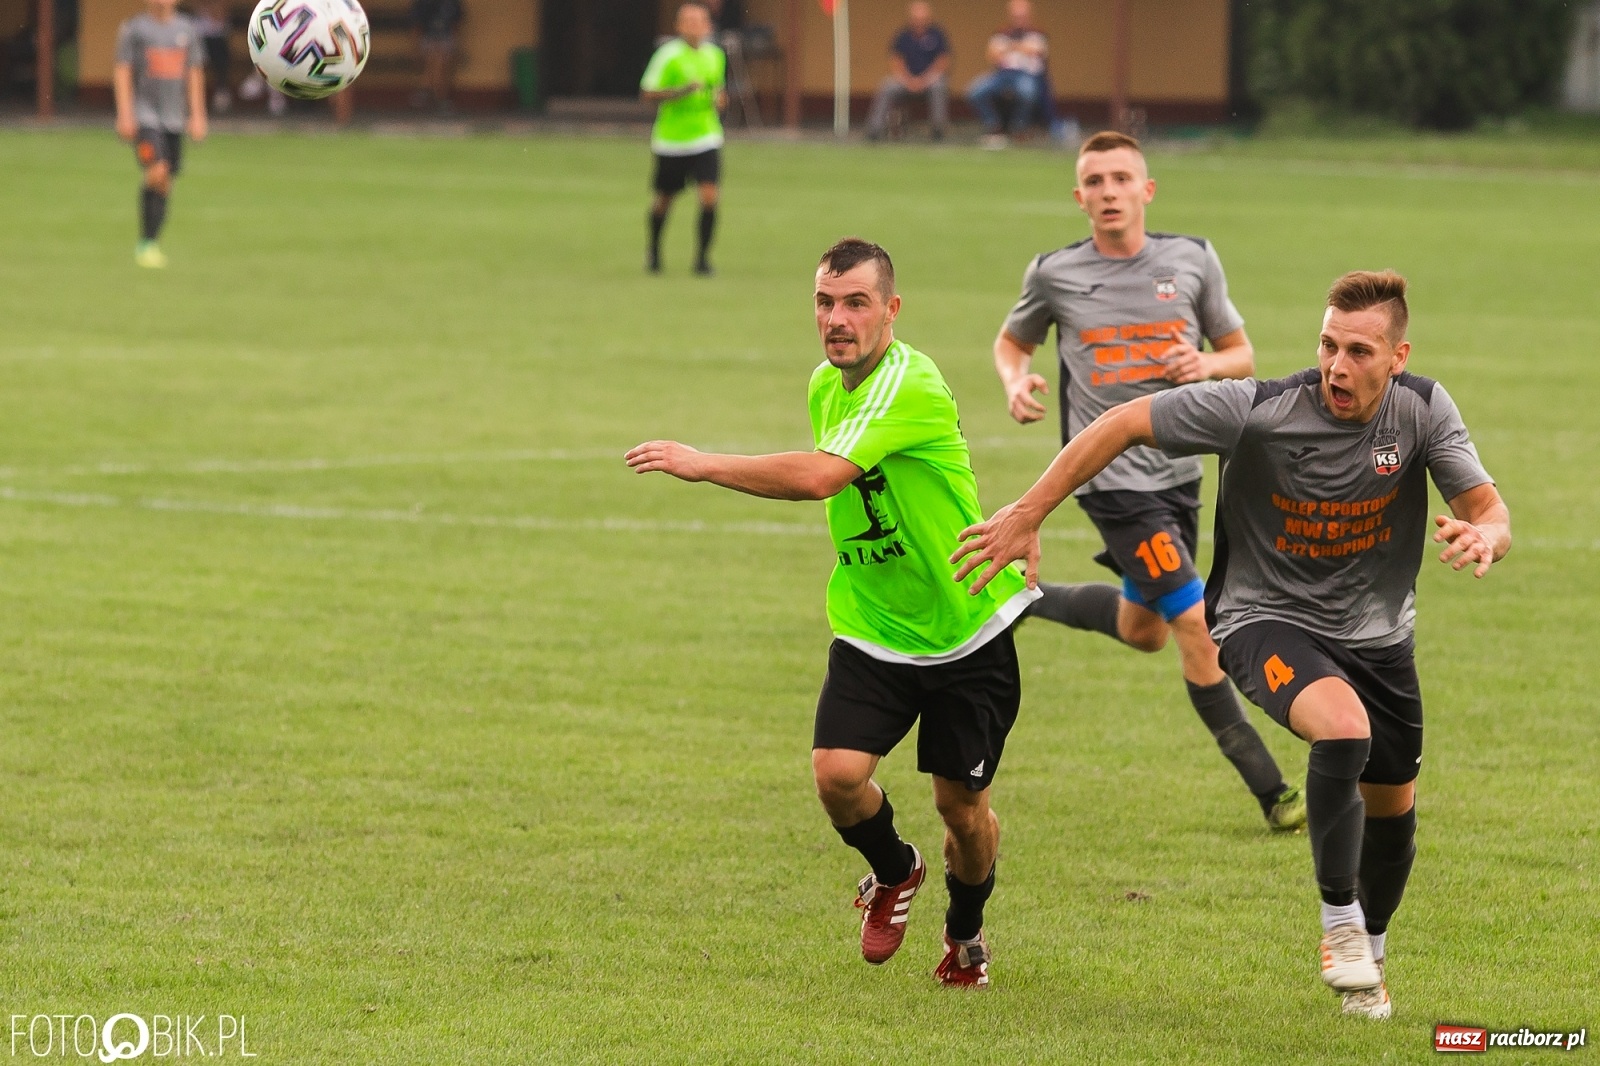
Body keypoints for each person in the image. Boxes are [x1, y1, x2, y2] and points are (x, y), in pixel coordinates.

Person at [954, 269, 1510, 1019]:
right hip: (1263, 620)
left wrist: (1486, 535)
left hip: (1380, 641)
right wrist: (1028, 512)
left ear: (1397, 356)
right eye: (1327, 345)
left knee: (1394, 815)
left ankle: (1370, 956)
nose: (1337, 366)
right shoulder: (1258, 411)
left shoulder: (1422, 412)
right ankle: (1338, 921)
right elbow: (1122, 422)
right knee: (1342, 730)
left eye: (1359, 351)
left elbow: (1487, 506)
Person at [627, 238, 1040, 988]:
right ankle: (896, 870)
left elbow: (823, 478)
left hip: (963, 628)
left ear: (891, 310)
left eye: (855, 303)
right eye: (825, 302)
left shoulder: (910, 381)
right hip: (873, 622)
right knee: (837, 776)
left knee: (964, 812)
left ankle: (966, 933)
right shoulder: (826, 383)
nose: (837, 319)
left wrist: (703, 461)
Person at [995, 130, 1304, 832]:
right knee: (1195, 623)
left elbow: (1240, 352)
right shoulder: (1055, 273)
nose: (1108, 191)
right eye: (1094, 181)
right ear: (1079, 197)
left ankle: (1023, 601)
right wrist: (1017, 381)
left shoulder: (1191, 259)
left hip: (1180, 474)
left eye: (1120, 178)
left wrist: (1207, 367)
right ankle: (1273, 789)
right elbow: (1012, 342)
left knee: (1146, 630)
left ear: (1147, 190)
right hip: (1109, 482)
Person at [113, 0, 206, 270]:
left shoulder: (187, 30)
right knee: (157, 171)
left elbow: (194, 72)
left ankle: (150, 242)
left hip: (174, 119)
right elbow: (122, 70)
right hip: (146, 116)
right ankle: (146, 244)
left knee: (165, 182)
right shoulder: (134, 29)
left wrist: (198, 114)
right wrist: (125, 113)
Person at [639, 3, 727, 277]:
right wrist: (681, 91)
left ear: (708, 26)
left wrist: (720, 100)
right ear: (678, 26)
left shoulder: (715, 55)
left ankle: (702, 259)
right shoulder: (668, 56)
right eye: (687, 20)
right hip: (672, 140)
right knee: (664, 198)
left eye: (699, 20)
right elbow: (648, 93)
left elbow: (718, 91)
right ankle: (653, 250)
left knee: (710, 196)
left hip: (706, 136)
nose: (694, 25)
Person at [965, 0, 1047, 149]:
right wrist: (1021, 47)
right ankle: (994, 126)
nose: (1019, 19)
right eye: (1016, 16)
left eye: (1022, 16)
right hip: (1002, 75)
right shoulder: (1001, 32)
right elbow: (992, 54)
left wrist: (1009, 47)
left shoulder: (1037, 32)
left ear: (1029, 15)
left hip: (1026, 75)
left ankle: (1018, 128)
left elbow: (1037, 51)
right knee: (975, 91)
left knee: (1028, 92)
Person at [866, 1, 951, 142]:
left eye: (922, 18)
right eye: (916, 18)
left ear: (929, 18)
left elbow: (943, 61)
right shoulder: (903, 36)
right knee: (887, 85)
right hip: (906, 81)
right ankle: (874, 129)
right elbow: (896, 61)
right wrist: (908, 79)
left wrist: (925, 80)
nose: (919, 21)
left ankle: (938, 129)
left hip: (930, 80)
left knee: (939, 85)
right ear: (911, 18)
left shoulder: (937, 34)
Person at [411, 0, 461, 113]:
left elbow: (456, 25)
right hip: (428, 38)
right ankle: (439, 97)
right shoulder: (423, 3)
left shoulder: (452, 3)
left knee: (439, 62)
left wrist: (456, 46)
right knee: (435, 62)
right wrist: (415, 48)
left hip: (446, 38)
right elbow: (417, 26)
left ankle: (426, 90)